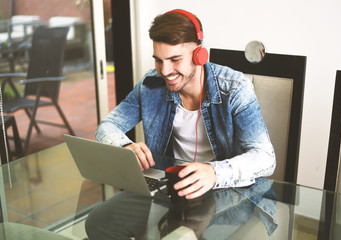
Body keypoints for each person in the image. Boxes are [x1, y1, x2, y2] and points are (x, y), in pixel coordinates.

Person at [95, 9, 275, 200]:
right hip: (171, 190)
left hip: (223, 192)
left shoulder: (236, 88)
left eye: (175, 59)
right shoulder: (150, 85)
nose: (165, 71)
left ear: (199, 55)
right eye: (158, 60)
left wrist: (213, 172)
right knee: (97, 222)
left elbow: (265, 158)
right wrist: (124, 146)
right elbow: (106, 126)